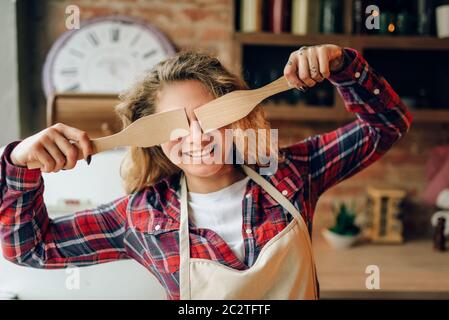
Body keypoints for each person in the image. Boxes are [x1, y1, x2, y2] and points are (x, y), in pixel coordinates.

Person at [0, 44, 412, 300]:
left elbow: (388, 124)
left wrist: (345, 66)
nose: (196, 136)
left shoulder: (292, 173)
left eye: (209, 117)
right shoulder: (140, 217)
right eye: (173, 126)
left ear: (237, 117)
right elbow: (29, 249)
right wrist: (18, 162)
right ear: (154, 139)